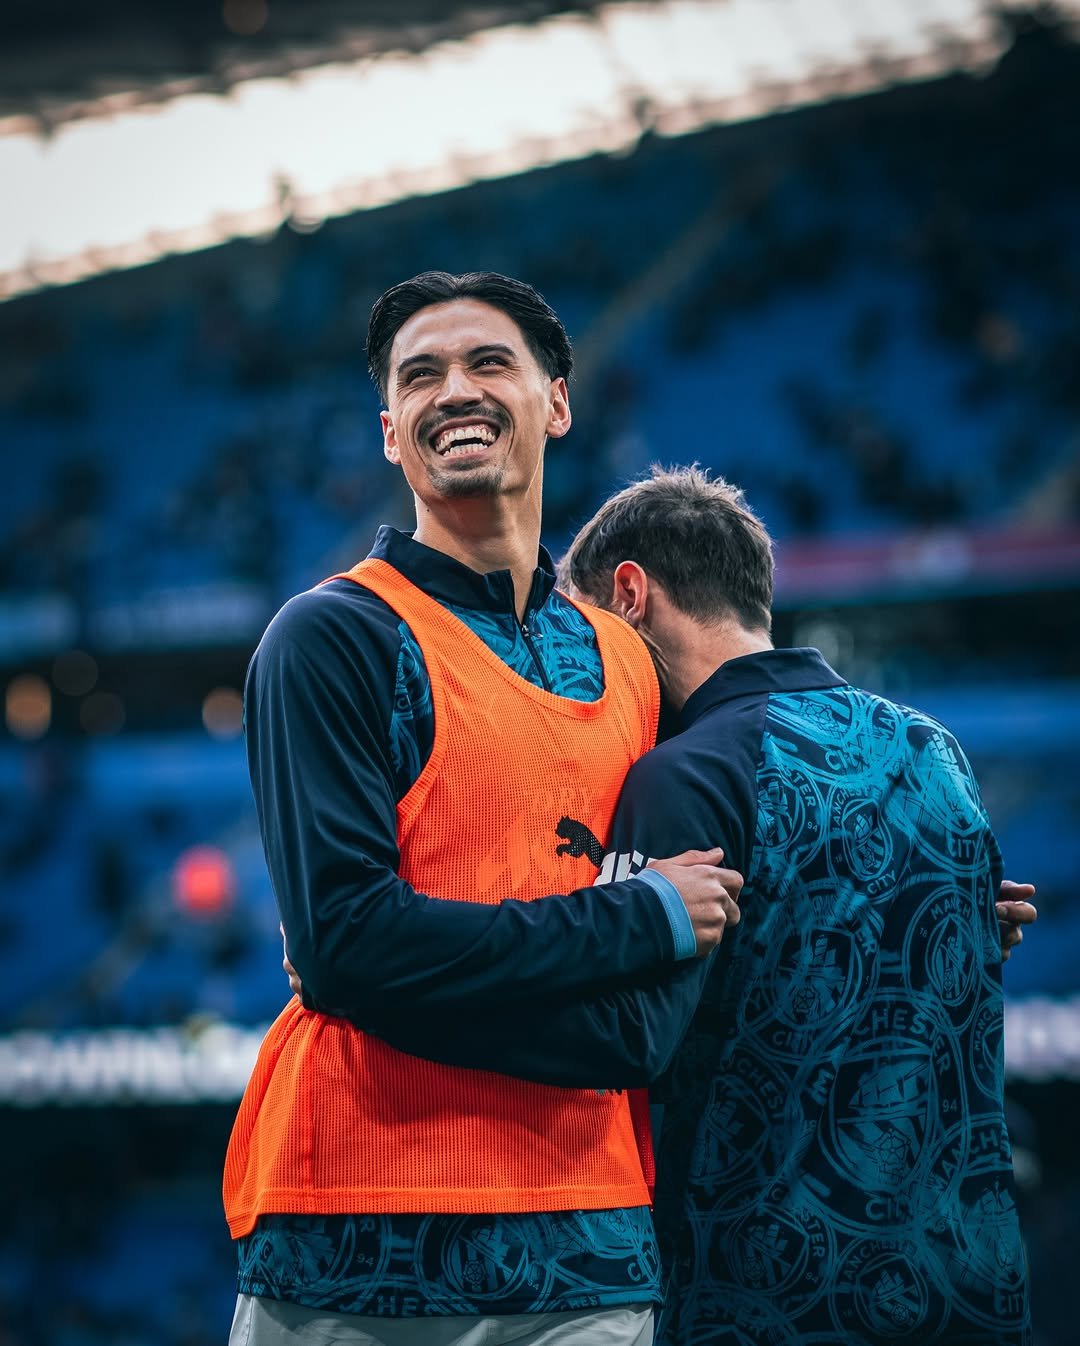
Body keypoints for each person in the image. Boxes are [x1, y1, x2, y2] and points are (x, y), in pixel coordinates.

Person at [339, 466, 1034, 1344]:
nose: (583, 666)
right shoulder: (936, 750)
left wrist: (379, 989)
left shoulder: (687, 774)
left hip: (770, 1292)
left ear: (630, 596)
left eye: (584, 624)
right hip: (969, 1283)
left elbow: (626, 1041)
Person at [223, 273, 743, 1346]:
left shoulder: (627, 659)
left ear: (556, 400)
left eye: (487, 362)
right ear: (389, 432)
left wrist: (910, 896)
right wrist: (632, 920)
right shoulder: (332, 636)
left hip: (588, 1240)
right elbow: (349, 949)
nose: (453, 389)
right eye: (421, 375)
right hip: (356, 1239)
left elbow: (729, 879)